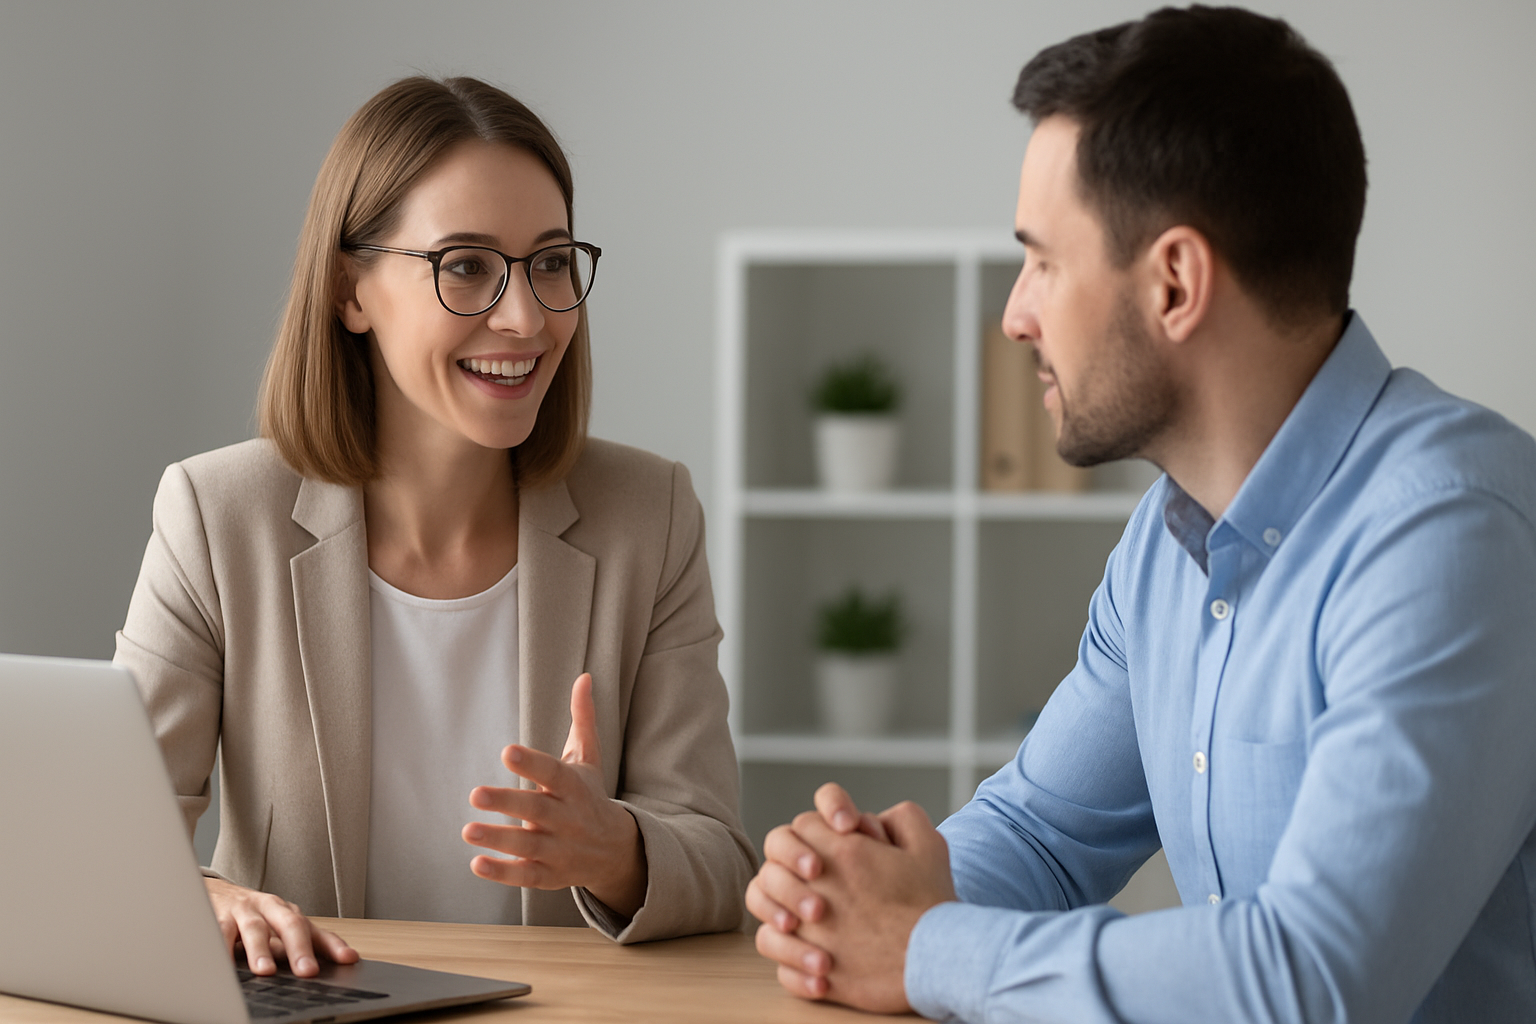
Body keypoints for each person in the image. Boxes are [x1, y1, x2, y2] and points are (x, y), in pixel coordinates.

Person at [747, 7, 1536, 1022]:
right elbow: (1042, 833)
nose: (1015, 314)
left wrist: (925, 942)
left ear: (1174, 282)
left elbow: (1311, 982)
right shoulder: (1171, 542)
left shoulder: (1449, 534)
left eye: (1042, 260)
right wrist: (858, 896)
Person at [115, 75, 755, 977]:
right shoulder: (218, 517)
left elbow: (721, 861)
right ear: (351, 292)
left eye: (551, 261)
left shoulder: (647, 516)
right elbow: (106, 854)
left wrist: (615, 848)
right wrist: (209, 897)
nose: (526, 316)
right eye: (466, 266)